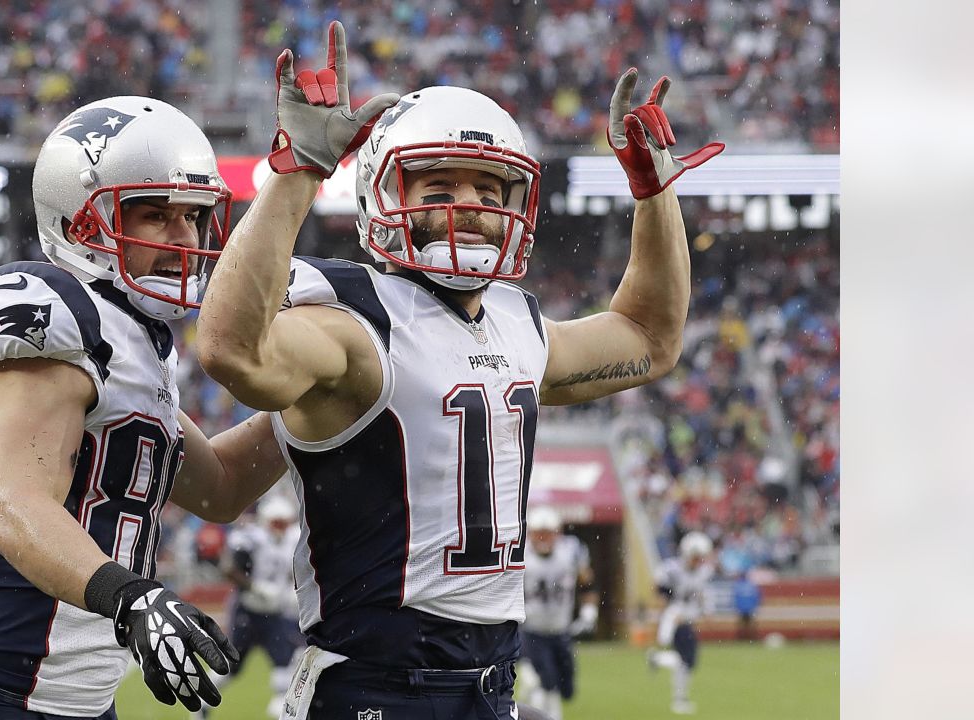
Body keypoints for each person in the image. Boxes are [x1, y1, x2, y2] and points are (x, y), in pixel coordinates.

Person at [196, 20, 723, 720]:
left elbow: (650, 339)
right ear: (383, 196)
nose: (470, 207)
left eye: (489, 188)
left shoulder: (518, 324)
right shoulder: (355, 324)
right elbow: (234, 349)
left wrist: (654, 195)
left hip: (488, 681)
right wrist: (300, 172)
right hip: (375, 686)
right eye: (440, 184)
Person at [0, 96, 287, 720]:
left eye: (193, 216)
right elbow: (16, 505)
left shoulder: (135, 345)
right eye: (155, 216)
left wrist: (315, 401)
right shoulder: (55, 309)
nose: (183, 238)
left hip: (82, 701)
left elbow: (221, 489)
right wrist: (131, 598)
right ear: (82, 223)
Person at [218, 496, 304, 717]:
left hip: (274, 613)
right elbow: (228, 567)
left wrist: (291, 590)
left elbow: (294, 571)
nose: (281, 528)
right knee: (232, 667)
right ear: (266, 520)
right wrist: (255, 587)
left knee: (284, 660)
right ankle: (203, 704)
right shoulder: (251, 538)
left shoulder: (293, 538)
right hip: (247, 610)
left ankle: (279, 710)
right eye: (277, 523)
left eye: (285, 523)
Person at [518, 507, 599, 720]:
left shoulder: (571, 551)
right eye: (539, 532)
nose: (543, 538)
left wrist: (589, 609)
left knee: (568, 690)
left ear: (557, 533)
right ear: (531, 533)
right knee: (549, 682)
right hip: (532, 631)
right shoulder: (521, 555)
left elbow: (587, 583)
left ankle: (531, 687)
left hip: (561, 631)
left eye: (548, 532)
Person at [648, 531, 716, 715]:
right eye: (696, 557)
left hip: (686, 619)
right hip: (675, 619)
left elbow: (701, 594)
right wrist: (666, 616)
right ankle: (679, 700)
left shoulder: (701, 572)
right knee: (686, 660)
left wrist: (706, 612)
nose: (698, 561)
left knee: (686, 661)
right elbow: (661, 594)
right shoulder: (671, 569)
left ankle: (658, 660)